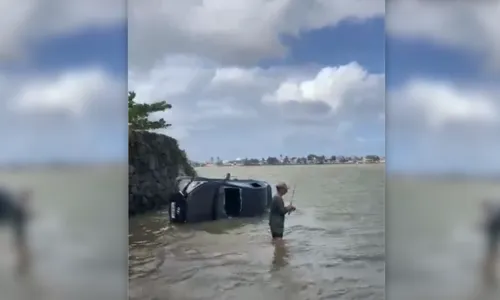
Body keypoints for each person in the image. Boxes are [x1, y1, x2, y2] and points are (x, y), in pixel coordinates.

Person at [0, 187, 33, 274]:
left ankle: (24, 264)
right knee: (20, 241)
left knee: (19, 242)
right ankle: (25, 261)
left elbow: (14, 201)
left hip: (16, 213)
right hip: (14, 211)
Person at [481, 199, 500, 285]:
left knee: (492, 249)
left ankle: (489, 266)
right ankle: (489, 265)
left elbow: (490, 223)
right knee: (492, 249)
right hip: (494, 231)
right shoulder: (495, 210)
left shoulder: (494, 212)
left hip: (494, 231)